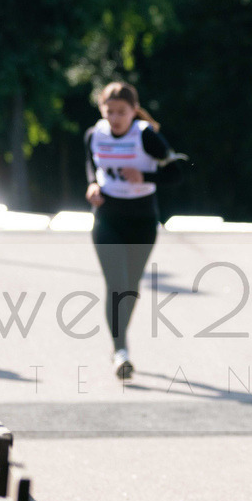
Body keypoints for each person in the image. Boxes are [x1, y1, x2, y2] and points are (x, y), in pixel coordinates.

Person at [85, 81, 185, 378]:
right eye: (109, 111)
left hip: (142, 221)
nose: (115, 118)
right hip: (107, 219)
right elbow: (91, 165)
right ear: (102, 110)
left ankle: (119, 345)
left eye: (121, 112)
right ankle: (121, 351)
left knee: (130, 289)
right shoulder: (94, 134)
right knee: (116, 285)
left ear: (133, 111)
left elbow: (177, 172)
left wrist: (145, 174)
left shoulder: (146, 137)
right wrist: (92, 184)